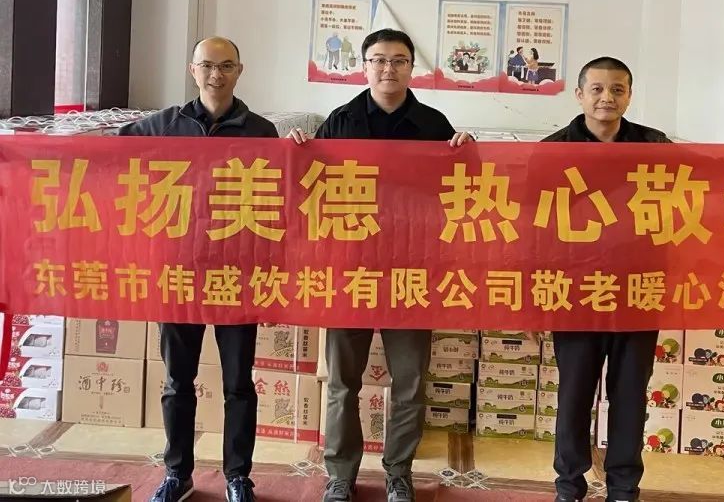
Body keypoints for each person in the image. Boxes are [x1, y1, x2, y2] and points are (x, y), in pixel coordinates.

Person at [288, 28, 472, 502]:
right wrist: (296, 150)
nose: (388, 68)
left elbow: (457, 189)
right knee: (341, 383)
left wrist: (465, 151)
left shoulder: (433, 124)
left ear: (412, 67)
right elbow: (310, 187)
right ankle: (340, 474)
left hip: (411, 271)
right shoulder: (340, 121)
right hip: (350, 269)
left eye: (398, 60)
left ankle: (398, 472)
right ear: (365, 66)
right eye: (379, 60)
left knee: (409, 382)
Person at [119, 37, 278, 502]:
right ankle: (177, 474)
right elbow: (109, 155)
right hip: (179, 273)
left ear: (239, 71)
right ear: (192, 70)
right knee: (177, 381)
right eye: (207, 65)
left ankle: (238, 477)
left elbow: (282, 200)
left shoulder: (261, 131)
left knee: (238, 384)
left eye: (226, 66)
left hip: (237, 275)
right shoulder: (163, 125)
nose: (216, 74)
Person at [542, 56, 670, 502]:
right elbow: (531, 228)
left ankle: (623, 487)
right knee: (574, 395)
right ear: (579, 95)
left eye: (618, 89)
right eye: (596, 89)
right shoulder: (552, 151)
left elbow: (689, 201)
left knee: (630, 395)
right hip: (575, 292)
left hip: (638, 291)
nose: (606, 98)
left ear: (629, 95)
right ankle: (569, 485)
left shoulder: (655, 147)